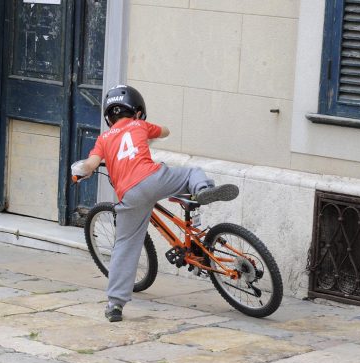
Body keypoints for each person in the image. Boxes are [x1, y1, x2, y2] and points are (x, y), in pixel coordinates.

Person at [72, 85, 238, 322]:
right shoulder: (139, 124)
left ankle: (115, 305)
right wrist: (149, 133)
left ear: (109, 117)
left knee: (125, 245)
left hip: (129, 193)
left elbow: (90, 165)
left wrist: (79, 172)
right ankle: (202, 192)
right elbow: (165, 131)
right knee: (191, 173)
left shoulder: (103, 139)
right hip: (154, 178)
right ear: (137, 112)